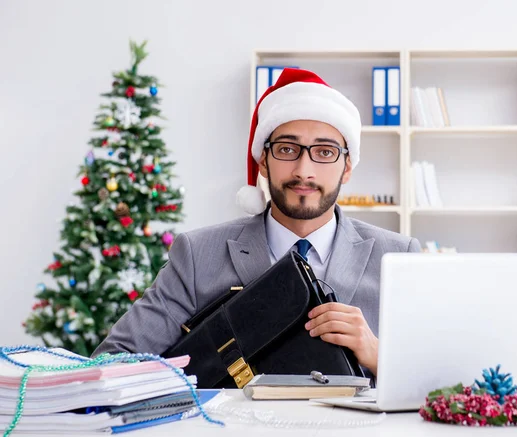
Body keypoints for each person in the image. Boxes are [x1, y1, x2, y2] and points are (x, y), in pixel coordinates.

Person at [92, 68, 421, 380]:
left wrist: (378, 354)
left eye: (324, 152)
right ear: (263, 161)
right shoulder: (197, 255)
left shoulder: (398, 256)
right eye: (287, 149)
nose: (304, 170)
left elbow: (443, 384)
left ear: (347, 167)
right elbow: (113, 361)